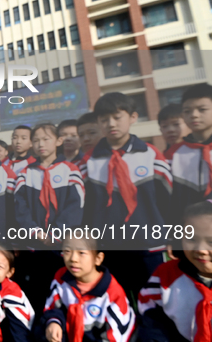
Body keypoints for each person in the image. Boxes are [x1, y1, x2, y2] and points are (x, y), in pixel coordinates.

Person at [80, 92, 172, 298]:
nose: (111, 124)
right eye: (104, 119)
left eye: (117, 117)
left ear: (133, 117)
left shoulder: (151, 154)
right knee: (114, 301)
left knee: (153, 302)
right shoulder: (87, 161)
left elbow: (168, 200)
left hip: (149, 245)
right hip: (108, 246)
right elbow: (84, 208)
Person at [14, 123, 84, 312]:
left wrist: (55, 233)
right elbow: (20, 208)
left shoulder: (70, 170)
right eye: (36, 140)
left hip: (62, 246)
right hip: (33, 245)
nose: (40, 144)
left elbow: (75, 206)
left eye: (46, 139)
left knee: (63, 293)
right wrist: (35, 231)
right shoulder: (25, 174)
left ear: (58, 141)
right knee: (35, 293)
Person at [37, 232, 135, 342]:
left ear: (98, 258)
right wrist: (53, 321)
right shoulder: (61, 277)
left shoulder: (113, 295)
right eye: (67, 251)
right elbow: (53, 307)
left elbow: (114, 337)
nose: (73, 258)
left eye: (81, 253)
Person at [138, 200, 212, 341]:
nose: (200, 250)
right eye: (191, 239)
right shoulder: (165, 275)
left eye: (211, 242)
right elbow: (152, 320)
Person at [166, 84, 212, 218]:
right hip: (187, 230)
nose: (194, 115)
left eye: (202, 109)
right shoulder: (173, 154)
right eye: (187, 111)